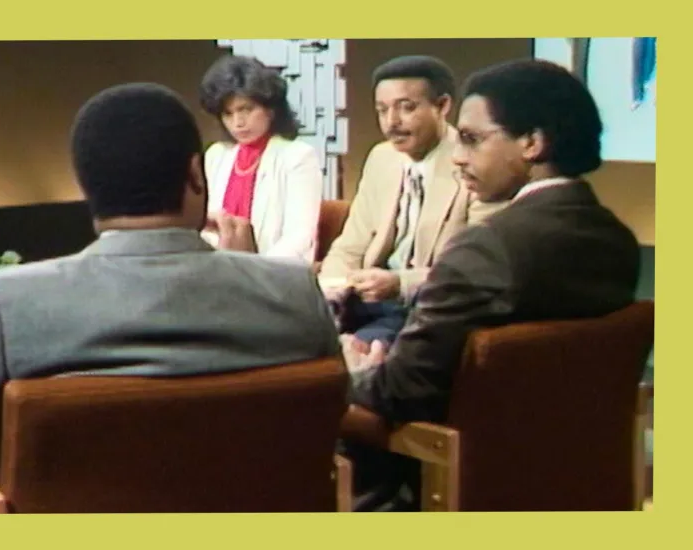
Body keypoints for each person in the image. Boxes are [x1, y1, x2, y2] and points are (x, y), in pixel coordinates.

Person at [0, 82, 342, 406]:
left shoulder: (10, 301)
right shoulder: (294, 290)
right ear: (196, 174)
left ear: (86, 185)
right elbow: (332, 414)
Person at [341, 59, 641, 511]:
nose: (458, 157)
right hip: (565, 475)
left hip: (455, 476)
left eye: (473, 139)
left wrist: (348, 372)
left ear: (533, 143)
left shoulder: (483, 250)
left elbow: (399, 392)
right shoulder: (618, 241)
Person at [318, 56, 504, 349]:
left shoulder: (473, 165)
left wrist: (399, 284)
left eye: (407, 107)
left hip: (424, 305)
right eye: (382, 110)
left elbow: (474, 272)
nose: (392, 122)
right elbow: (350, 244)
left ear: (442, 106)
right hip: (365, 299)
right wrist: (332, 290)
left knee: (355, 350)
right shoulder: (382, 157)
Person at [198, 55, 324, 264]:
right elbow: (205, 230)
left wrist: (256, 274)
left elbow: (299, 238)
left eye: (245, 110)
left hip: (273, 276)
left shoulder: (297, 156)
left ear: (270, 109)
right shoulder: (217, 155)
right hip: (218, 275)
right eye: (228, 114)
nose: (237, 123)